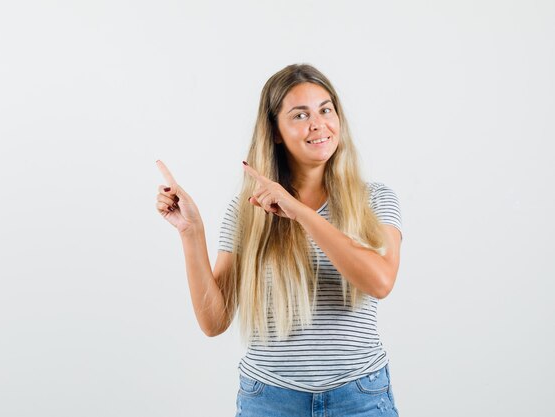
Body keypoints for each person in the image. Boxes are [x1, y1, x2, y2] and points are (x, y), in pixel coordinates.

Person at [155, 63, 402, 416]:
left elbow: (380, 281)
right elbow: (214, 321)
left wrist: (300, 212)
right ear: (275, 132)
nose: (318, 124)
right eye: (300, 115)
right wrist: (191, 232)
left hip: (360, 397)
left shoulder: (375, 199)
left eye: (325, 110)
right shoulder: (247, 212)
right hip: (270, 401)